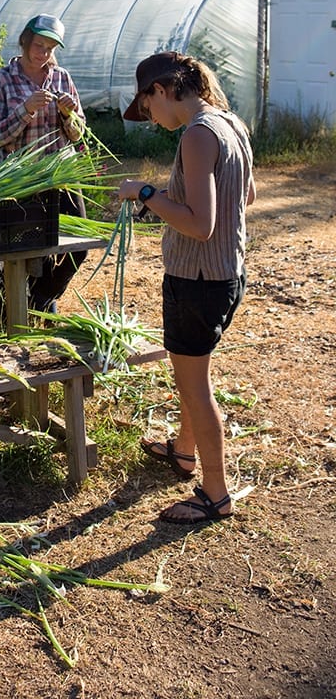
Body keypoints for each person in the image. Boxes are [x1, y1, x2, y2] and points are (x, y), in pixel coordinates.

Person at [118, 50, 256, 525]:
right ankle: (182, 450)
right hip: (226, 273)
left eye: (149, 106)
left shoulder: (197, 136)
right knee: (190, 373)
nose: (152, 118)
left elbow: (200, 225)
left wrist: (147, 194)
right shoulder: (229, 123)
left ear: (162, 90)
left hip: (197, 280)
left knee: (195, 386)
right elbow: (247, 195)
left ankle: (215, 494)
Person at [0, 13, 88, 314]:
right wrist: (25, 110)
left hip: (60, 171)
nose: (42, 53)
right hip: (20, 175)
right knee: (37, 247)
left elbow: (80, 133)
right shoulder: (3, 80)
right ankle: (34, 305)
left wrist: (68, 116)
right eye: (38, 44)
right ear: (25, 41)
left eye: (49, 48)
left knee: (79, 244)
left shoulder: (62, 78)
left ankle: (41, 298)